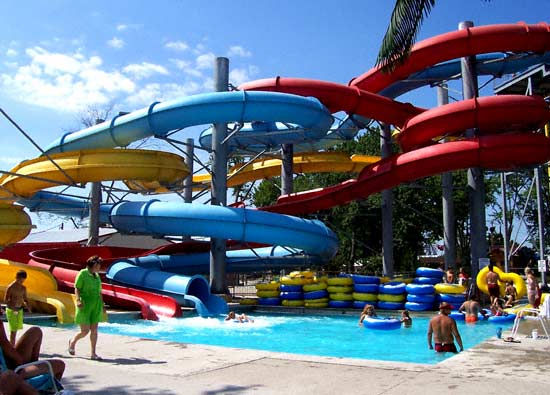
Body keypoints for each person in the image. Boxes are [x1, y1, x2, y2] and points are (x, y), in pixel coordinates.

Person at [0, 316, 65, 382]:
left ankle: (32, 369)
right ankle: (33, 386)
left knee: (35, 331)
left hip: (7, 363)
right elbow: (3, 342)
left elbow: (5, 344)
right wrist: (21, 365)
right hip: (8, 373)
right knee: (60, 365)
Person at [68, 255, 106, 360]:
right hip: (85, 304)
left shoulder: (97, 276)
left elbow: (99, 292)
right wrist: (78, 300)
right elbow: (77, 288)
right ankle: (73, 341)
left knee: (94, 330)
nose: (99, 268)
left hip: (96, 304)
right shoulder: (82, 274)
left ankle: (93, 353)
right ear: (93, 265)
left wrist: (102, 305)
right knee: (85, 331)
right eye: (98, 265)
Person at [4, 270, 31, 345]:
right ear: (16, 277)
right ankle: (12, 346)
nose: (22, 282)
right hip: (11, 309)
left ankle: (12, 344)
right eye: (20, 280)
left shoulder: (23, 288)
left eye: (23, 281)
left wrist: (28, 307)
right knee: (13, 329)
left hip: (19, 310)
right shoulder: (11, 287)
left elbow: (25, 299)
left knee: (16, 329)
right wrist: (11, 303)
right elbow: (5, 299)